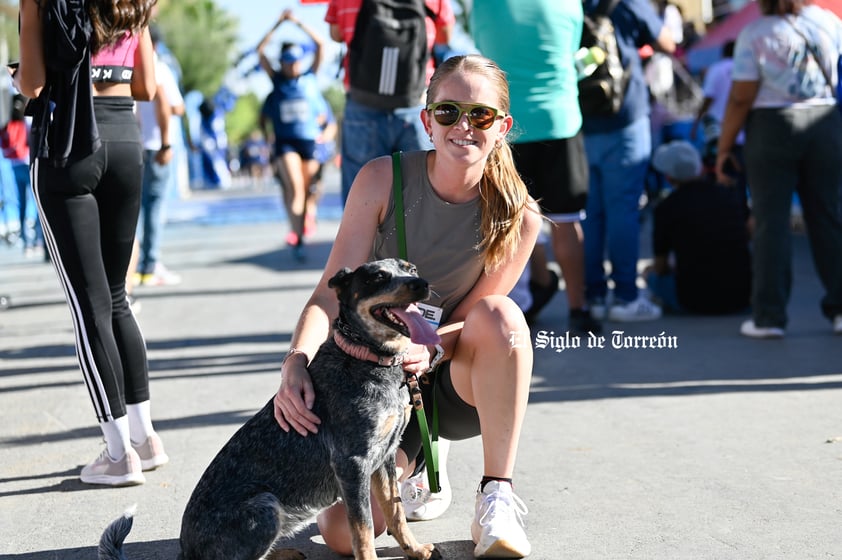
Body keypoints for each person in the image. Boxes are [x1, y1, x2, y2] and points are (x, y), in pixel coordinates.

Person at [273, 55, 539, 559]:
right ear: (427, 120)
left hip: (450, 376)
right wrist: (296, 361)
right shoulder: (381, 179)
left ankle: (497, 494)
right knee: (344, 537)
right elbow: (330, 293)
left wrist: (429, 346)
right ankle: (416, 469)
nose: (463, 126)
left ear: (501, 127)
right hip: (374, 380)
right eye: (448, 113)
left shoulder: (519, 216)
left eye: (480, 116)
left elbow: (476, 317)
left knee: (503, 318)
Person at [16, 0, 168, 486]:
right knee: (118, 299)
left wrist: (24, 69)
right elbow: (146, 86)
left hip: (68, 143)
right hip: (125, 137)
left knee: (89, 307)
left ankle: (117, 451)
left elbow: (34, 85)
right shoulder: (134, 2)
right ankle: (145, 439)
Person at [472, 0, 602, 334]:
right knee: (567, 221)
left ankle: (520, 305)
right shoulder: (569, 5)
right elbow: (575, 50)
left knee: (509, 218)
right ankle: (579, 309)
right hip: (560, 120)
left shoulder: (487, 6)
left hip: (508, 127)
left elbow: (482, 47)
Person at [715, 0, 842, 338]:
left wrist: (724, 147)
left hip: (772, 126)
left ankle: (769, 316)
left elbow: (741, 97)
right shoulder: (828, 22)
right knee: (828, 217)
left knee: (771, 223)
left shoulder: (756, 33)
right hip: (825, 122)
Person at [581, 0, 675, 322]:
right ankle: (626, 297)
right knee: (624, 209)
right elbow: (667, 42)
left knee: (589, 214)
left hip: (580, 120)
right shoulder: (628, 3)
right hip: (625, 117)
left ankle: (592, 297)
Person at [325, 0, 455, 205]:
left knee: (361, 196)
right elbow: (445, 35)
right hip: (415, 103)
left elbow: (336, 33)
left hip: (363, 103)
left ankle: (367, 236)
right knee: (423, 193)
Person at [646, 140, 751, 314]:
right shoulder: (728, 195)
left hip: (691, 301)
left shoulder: (666, 208)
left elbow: (660, 265)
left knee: (650, 276)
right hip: (742, 297)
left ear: (669, 177)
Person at [257, 9, 325, 261]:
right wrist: (277, 25)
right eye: (287, 61)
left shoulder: (309, 79)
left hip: (309, 142)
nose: (292, 65)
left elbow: (319, 44)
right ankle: (298, 239)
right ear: (282, 63)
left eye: (296, 61)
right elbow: (260, 51)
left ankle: (301, 226)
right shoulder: (277, 82)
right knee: (295, 189)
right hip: (286, 143)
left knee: (308, 191)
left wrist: (298, 23)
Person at [134, 24, 185, 287]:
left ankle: (140, 265)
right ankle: (149, 264)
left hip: (139, 145)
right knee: (154, 208)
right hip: (157, 146)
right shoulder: (159, 67)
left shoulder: (133, 67)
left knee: (138, 209)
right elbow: (168, 104)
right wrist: (166, 143)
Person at [1, 93, 43, 257]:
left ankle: (26, 243)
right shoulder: (28, 120)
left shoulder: (10, 123)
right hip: (29, 164)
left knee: (22, 204)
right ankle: (39, 240)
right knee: (37, 202)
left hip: (15, 165)